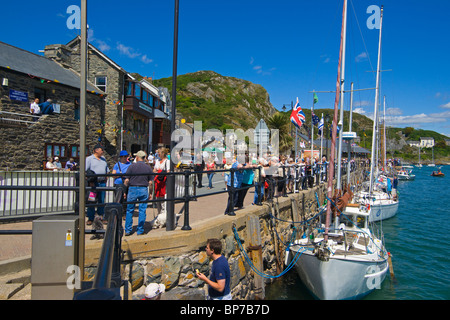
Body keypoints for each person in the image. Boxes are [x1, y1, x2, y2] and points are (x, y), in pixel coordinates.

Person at [123, 150, 153, 236]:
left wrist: (125, 191)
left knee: (129, 210)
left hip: (132, 188)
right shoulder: (148, 168)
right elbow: (150, 183)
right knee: (142, 210)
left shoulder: (132, 167)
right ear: (144, 158)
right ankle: (140, 230)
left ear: (137, 157)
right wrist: (150, 193)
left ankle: (128, 230)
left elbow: (126, 180)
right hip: (143, 189)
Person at [85, 144, 109, 225]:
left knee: (101, 200)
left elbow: (106, 170)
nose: (103, 151)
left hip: (102, 183)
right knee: (92, 200)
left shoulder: (103, 159)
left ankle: (101, 216)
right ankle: (90, 218)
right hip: (93, 183)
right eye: (101, 150)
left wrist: (106, 177)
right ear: (96, 150)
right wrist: (89, 181)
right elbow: (86, 171)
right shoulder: (89, 159)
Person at [154, 147, 170, 219]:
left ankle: (164, 216)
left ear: (163, 153)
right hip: (158, 182)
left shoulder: (167, 161)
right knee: (158, 200)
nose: (158, 154)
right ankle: (159, 215)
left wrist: (159, 171)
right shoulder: (157, 161)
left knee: (163, 200)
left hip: (163, 182)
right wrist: (159, 171)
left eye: (159, 153)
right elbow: (154, 170)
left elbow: (168, 172)